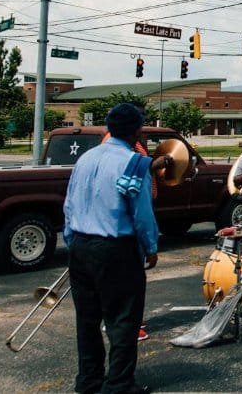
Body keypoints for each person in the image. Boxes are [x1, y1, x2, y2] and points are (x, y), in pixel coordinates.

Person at [63, 103, 159, 394]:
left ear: (108, 128)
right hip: (116, 248)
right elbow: (141, 214)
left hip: (80, 245)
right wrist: (150, 246)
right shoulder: (134, 163)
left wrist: (73, 240)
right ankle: (118, 385)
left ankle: (89, 381)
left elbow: (69, 203)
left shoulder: (85, 158)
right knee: (123, 320)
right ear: (136, 132)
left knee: (87, 320)